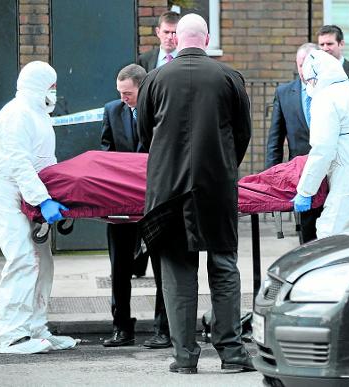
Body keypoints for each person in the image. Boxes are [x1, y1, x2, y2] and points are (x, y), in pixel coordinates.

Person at [137, 13, 254, 374]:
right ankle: (232, 354)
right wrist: (224, 166)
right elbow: (243, 133)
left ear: (178, 39)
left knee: (176, 274)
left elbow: (145, 136)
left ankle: (185, 357)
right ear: (205, 39)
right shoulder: (229, 78)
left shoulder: (154, 80)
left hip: (167, 191)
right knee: (223, 267)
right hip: (216, 187)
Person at [0, 61, 77, 354]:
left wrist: (57, 197)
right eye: (52, 87)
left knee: (42, 262)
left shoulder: (38, 116)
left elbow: (46, 162)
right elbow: (19, 163)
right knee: (23, 258)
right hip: (5, 191)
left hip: (28, 194)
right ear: (40, 86)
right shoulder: (17, 115)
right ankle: (13, 336)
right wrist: (43, 200)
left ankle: (37, 329)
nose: (54, 93)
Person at [99, 64, 171, 349]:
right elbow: (106, 150)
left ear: (142, 89)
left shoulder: (159, 110)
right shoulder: (112, 110)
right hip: (120, 202)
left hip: (154, 201)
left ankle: (163, 329)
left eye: (127, 93)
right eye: (119, 93)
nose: (123, 98)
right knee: (119, 267)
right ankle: (121, 327)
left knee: (162, 267)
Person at [293, 50, 349, 238]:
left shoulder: (326, 98)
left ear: (316, 78)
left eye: (309, 81)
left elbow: (322, 149)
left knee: (330, 240)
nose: (309, 86)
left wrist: (305, 190)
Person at [134, 10, 180, 278]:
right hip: (150, 141)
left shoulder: (187, 60)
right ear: (158, 32)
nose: (171, 37)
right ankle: (140, 259)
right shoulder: (145, 61)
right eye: (167, 32)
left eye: (175, 33)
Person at [265, 42, 321, 243]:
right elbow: (275, 139)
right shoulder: (284, 93)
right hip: (302, 175)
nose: (304, 70)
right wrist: (272, 179)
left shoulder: (331, 91)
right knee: (306, 233)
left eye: (308, 64)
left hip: (333, 173)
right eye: (300, 65)